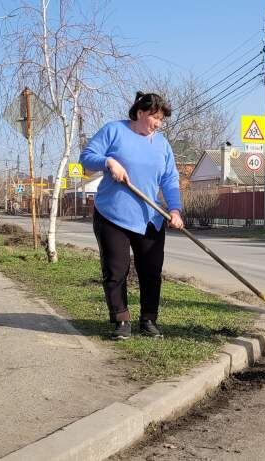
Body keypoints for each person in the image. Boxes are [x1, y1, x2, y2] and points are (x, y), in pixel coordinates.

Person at [79, 91, 184, 340]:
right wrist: (108, 163)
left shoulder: (162, 144)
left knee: (151, 271)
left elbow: (170, 179)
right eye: (154, 118)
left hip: (150, 217)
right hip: (113, 215)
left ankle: (148, 320)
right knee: (116, 270)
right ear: (140, 113)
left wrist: (175, 209)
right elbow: (86, 157)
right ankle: (121, 319)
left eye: (161, 120)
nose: (158, 124)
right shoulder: (114, 131)